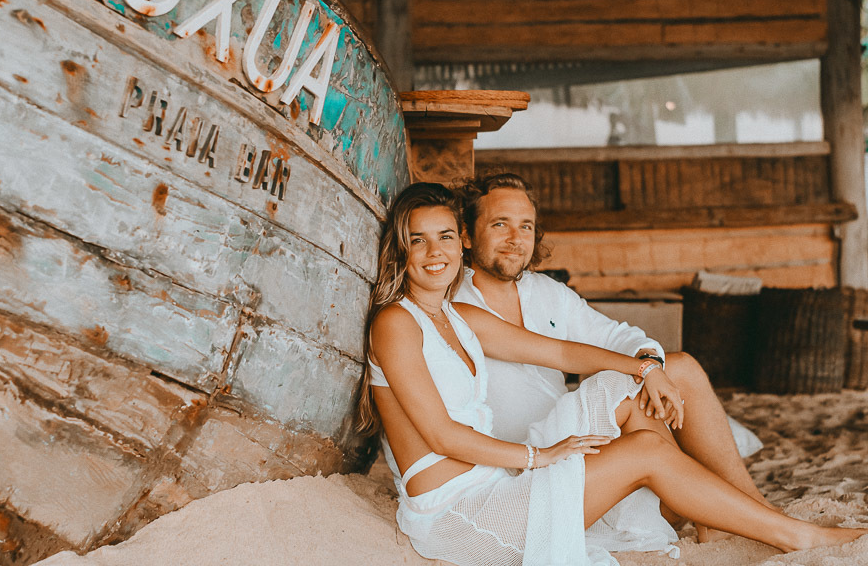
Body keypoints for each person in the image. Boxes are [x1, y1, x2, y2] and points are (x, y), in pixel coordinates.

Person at [358, 181, 864, 566]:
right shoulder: (396, 322)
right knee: (645, 451)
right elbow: (442, 436)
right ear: (402, 248)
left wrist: (645, 367)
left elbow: (562, 352)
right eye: (419, 241)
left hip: (498, 483)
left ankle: (749, 521)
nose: (436, 253)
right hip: (459, 515)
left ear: (459, 243)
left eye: (444, 237)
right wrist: (539, 456)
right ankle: (794, 535)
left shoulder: (457, 315)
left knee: (639, 401)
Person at [453, 172, 771, 546]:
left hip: (574, 438)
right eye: (500, 224)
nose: (515, 238)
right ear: (466, 235)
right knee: (641, 379)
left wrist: (650, 362)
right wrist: (644, 369)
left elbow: (617, 336)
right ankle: (727, 512)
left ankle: (743, 504)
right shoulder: (452, 304)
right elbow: (563, 353)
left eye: (526, 226)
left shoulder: (546, 291)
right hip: (524, 461)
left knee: (677, 367)